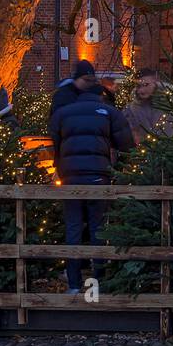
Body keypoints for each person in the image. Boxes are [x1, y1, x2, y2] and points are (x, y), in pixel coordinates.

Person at [48, 73, 135, 293]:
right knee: (98, 228)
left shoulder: (63, 113)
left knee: (73, 227)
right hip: (98, 175)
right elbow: (127, 146)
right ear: (100, 96)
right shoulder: (109, 113)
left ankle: (74, 284)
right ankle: (98, 281)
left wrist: (60, 168)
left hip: (71, 177)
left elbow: (55, 144)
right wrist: (119, 171)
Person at [123, 68, 173, 140]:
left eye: (146, 85)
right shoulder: (132, 109)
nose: (141, 90)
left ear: (156, 82)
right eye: (138, 86)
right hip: (144, 149)